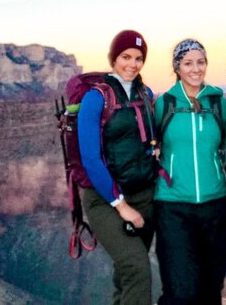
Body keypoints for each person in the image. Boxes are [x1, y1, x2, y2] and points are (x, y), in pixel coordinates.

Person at [78, 29, 158, 305]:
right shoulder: (95, 98)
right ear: (114, 58)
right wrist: (121, 205)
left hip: (144, 194)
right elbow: (91, 159)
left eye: (138, 58)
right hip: (106, 199)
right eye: (126, 56)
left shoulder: (145, 93)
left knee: (126, 273)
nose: (132, 64)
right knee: (137, 268)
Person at [154, 38, 226, 305]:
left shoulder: (219, 103)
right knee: (180, 291)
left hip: (215, 206)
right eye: (188, 63)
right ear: (177, 67)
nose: (195, 69)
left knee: (211, 289)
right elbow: (148, 144)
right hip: (173, 207)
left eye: (201, 62)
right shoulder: (164, 104)